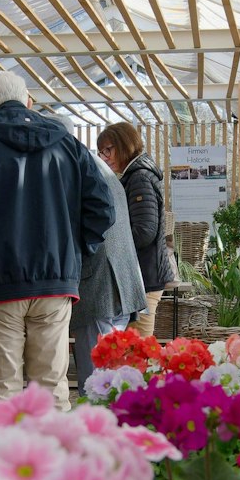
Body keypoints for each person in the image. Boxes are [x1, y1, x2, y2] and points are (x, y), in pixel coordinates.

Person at [0, 71, 112, 409]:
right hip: (55, 284)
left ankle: (8, 462)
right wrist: (74, 252)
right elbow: (102, 208)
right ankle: (54, 461)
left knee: (3, 395)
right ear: (30, 103)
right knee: (52, 393)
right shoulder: (68, 144)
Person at [70, 158, 149, 388]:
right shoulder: (97, 164)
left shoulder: (76, 164)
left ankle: (98, 421)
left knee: (96, 381)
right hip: (120, 281)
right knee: (110, 376)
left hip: (98, 283)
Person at [97, 122, 174, 337]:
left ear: (125, 145)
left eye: (108, 150)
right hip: (144, 276)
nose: (104, 157)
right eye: (101, 152)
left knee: (139, 351)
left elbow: (145, 231)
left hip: (146, 278)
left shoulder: (139, 177)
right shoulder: (137, 175)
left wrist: (111, 244)